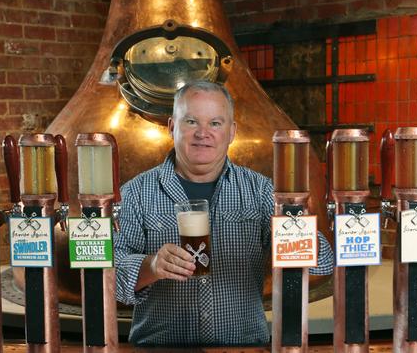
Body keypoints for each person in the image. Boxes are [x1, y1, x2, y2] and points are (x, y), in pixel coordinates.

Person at [114, 81, 333, 346]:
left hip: (245, 346)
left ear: (231, 132)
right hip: (161, 347)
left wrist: (295, 228)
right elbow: (109, 280)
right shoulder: (136, 193)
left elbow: (323, 263)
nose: (202, 133)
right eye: (191, 121)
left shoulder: (262, 191)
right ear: (172, 127)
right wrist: (151, 266)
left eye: (215, 123)